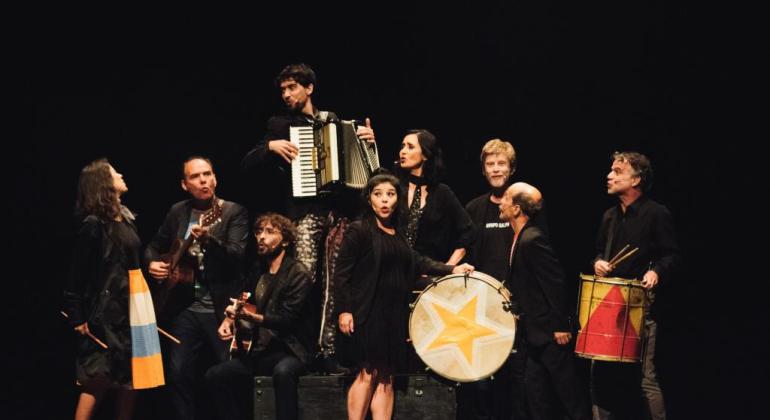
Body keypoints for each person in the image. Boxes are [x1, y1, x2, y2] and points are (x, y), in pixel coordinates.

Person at [241, 63, 376, 373]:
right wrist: (269, 148)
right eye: (283, 90)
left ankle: (329, 350)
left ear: (309, 88)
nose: (287, 95)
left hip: (338, 213)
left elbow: (368, 170)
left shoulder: (333, 121)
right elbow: (246, 163)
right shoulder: (279, 125)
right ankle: (297, 345)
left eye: (292, 88)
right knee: (304, 278)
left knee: (334, 284)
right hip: (304, 213)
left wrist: (368, 142)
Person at [334, 173, 475, 420]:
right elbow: (342, 274)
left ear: (398, 199)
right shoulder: (359, 230)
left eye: (390, 194)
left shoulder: (397, 234)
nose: (385, 200)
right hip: (369, 313)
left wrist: (451, 269)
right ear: (369, 200)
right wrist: (345, 310)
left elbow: (419, 261)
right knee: (368, 372)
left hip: (394, 314)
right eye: (378, 195)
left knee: (387, 375)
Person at [145, 156, 249, 419]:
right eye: (195, 176)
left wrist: (209, 240)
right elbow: (153, 246)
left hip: (220, 308)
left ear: (215, 178)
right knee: (179, 374)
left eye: (207, 174)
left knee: (226, 375)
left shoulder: (232, 211)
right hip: (185, 307)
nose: (203, 180)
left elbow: (237, 255)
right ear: (184, 184)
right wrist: (153, 264)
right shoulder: (178, 211)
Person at [63, 158, 164, 420]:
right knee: (98, 378)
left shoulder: (126, 219)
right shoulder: (94, 224)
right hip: (106, 314)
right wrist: (77, 316)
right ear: (103, 183)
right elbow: (77, 277)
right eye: (113, 172)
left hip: (132, 308)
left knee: (130, 380)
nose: (120, 173)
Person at [591, 152, 680, 420]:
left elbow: (672, 255)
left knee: (645, 378)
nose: (610, 176)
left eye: (618, 171)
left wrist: (656, 272)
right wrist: (598, 263)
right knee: (600, 373)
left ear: (637, 179)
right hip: (608, 304)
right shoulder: (609, 216)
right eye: (611, 170)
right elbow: (597, 252)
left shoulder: (656, 213)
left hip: (640, 306)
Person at [205, 213, 313, 420]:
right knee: (215, 376)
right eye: (259, 231)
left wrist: (250, 317)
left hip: (292, 350)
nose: (261, 237)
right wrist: (230, 319)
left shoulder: (297, 273)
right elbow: (244, 299)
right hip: (262, 351)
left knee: (283, 373)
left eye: (270, 232)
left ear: (287, 240)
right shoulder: (259, 270)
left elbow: (286, 320)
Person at [500, 182, 590, 420]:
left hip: (550, 333)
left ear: (517, 208)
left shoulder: (532, 239)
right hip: (534, 334)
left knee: (568, 393)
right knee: (535, 394)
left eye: (507, 198)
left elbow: (555, 282)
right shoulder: (520, 237)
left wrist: (561, 325)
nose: (501, 201)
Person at [464, 139, 528, 419]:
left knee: (516, 380)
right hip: (482, 307)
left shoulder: (526, 206)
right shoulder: (474, 208)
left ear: (511, 168)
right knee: (482, 380)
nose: (496, 169)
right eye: (490, 164)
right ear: (483, 170)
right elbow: (463, 248)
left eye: (501, 163)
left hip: (517, 305)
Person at [394, 129, 474, 266]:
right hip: (396, 273)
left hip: (429, 275)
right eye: (402, 146)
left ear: (425, 155)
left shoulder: (442, 193)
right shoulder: (395, 188)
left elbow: (467, 232)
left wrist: (448, 267)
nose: (403, 151)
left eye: (410, 147)